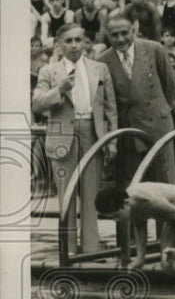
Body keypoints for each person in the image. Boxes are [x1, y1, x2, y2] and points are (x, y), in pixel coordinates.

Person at [32, 23, 118, 255]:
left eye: (78, 40)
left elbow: (110, 109)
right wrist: (58, 90)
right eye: (68, 41)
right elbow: (37, 103)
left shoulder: (99, 68)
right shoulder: (48, 72)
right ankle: (67, 249)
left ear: (85, 42)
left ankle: (91, 247)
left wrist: (112, 141)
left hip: (93, 132)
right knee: (66, 195)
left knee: (91, 194)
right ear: (58, 44)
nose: (73, 45)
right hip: (62, 133)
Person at [98, 15, 175, 183]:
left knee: (165, 182)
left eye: (124, 33)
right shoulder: (102, 61)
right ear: (107, 34)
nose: (120, 39)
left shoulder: (155, 50)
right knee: (133, 186)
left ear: (134, 30)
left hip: (158, 126)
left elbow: (169, 84)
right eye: (114, 35)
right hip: (128, 132)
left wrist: (160, 111)